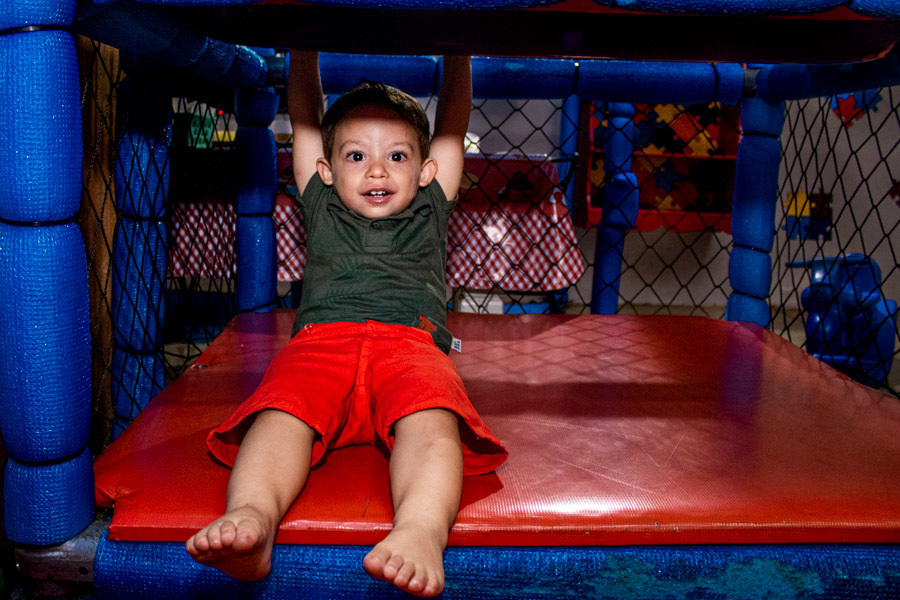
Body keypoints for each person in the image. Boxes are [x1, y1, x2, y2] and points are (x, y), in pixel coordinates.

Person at [185, 51, 508, 598]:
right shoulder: (323, 202)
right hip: (320, 346)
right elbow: (307, 117)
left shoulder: (431, 203)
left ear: (426, 169)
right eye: (357, 156)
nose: (377, 169)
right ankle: (254, 516)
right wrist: (303, 46)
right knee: (279, 413)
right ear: (327, 171)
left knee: (434, 420)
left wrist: (460, 49)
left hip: (410, 347)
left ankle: (421, 530)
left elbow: (454, 124)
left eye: (397, 155)